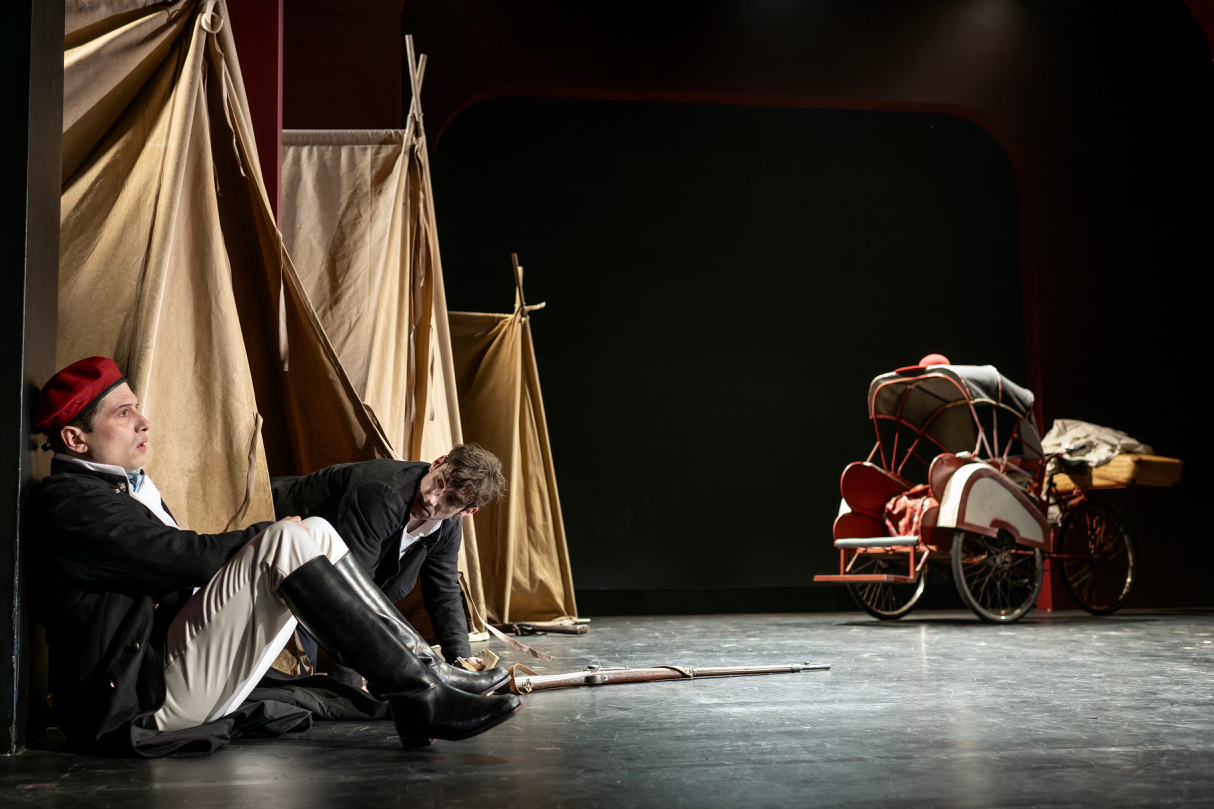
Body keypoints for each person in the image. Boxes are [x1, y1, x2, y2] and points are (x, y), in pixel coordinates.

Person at [28, 356, 520, 756]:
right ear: (75, 439)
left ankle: (423, 682)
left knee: (319, 530)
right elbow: (178, 557)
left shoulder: (118, 489)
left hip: (167, 669)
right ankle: (421, 691)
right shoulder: (70, 502)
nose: (143, 421)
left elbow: (442, 585)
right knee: (289, 536)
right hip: (140, 701)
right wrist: (271, 533)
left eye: (137, 408)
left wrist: (455, 652)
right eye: (122, 414)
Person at [270, 446, 506, 689]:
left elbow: (443, 592)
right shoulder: (382, 493)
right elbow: (351, 591)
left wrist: (461, 660)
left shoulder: (447, 526)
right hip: (270, 538)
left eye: (451, 500)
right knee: (292, 681)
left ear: (467, 511)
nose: (432, 498)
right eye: (439, 482)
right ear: (437, 463)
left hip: (313, 578)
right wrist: (349, 687)